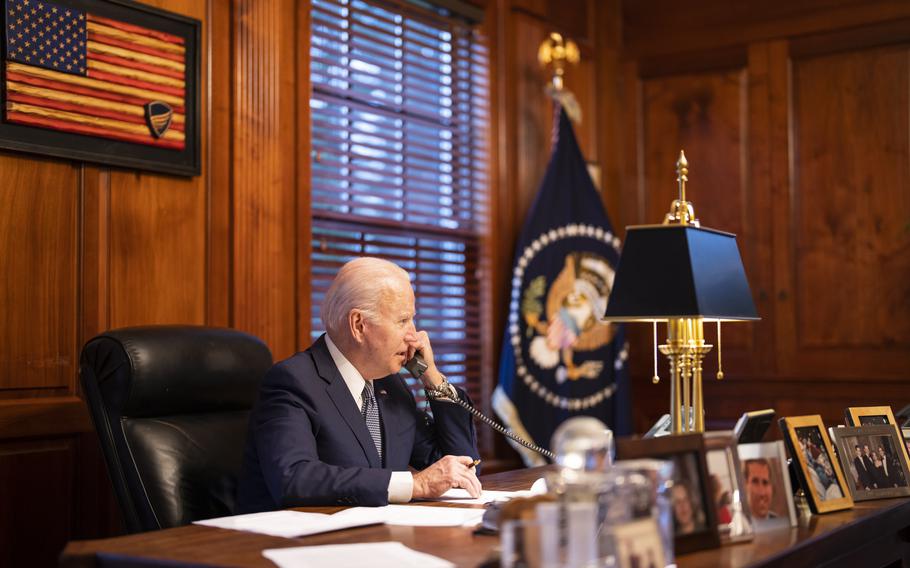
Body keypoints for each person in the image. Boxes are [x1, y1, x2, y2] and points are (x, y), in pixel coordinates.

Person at [235, 257, 482, 512]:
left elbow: (461, 470)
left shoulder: (391, 386)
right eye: (402, 321)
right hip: (286, 544)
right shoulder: (293, 381)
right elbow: (294, 478)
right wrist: (415, 485)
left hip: (374, 539)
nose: (415, 336)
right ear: (358, 325)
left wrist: (432, 378)